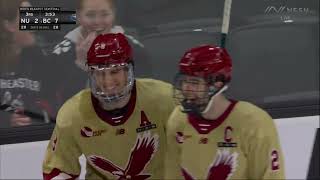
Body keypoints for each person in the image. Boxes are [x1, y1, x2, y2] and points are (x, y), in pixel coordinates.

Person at [42, 33, 175, 179]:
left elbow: (190, 147)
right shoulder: (73, 113)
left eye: (114, 71)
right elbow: (59, 169)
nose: (108, 82)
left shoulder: (164, 99)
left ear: (128, 70)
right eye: (100, 73)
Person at [165, 45, 285, 179]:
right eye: (183, 81)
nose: (186, 89)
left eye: (194, 82)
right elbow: (173, 172)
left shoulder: (253, 122)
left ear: (218, 83)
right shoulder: (178, 119)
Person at [50, 0, 152, 108]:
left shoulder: (133, 48)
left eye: (104, 14)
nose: (97, 21)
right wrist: (82, 64)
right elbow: (63, 102)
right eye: (90, 15)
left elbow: (144, 93)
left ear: (113, 15)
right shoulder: (61, 53)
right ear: (79, 17)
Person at [0, 0, 55, 127]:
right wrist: (7, 120)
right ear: (9, 25)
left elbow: (54, 105)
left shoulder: (40, 61)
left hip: (33, 141)